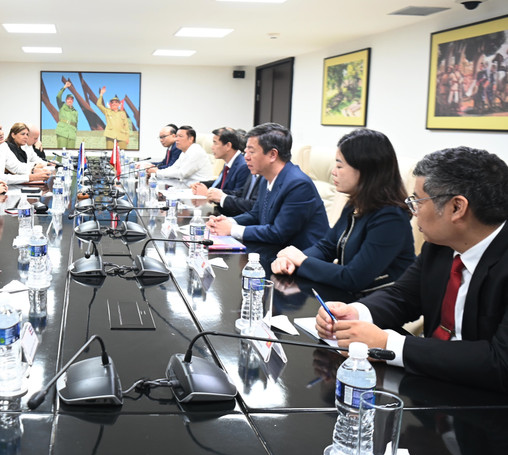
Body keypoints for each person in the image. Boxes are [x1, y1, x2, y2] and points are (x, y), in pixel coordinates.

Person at [315, 146, 508, 392]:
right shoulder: (440, 246)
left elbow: (500, 362)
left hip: (486, 405)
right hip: (430, 382)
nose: (412, 211)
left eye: (417, 200)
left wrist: (388, 344)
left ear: (457, 208)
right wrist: (356, 312)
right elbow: (403, 296)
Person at [270, 129, 415, 293]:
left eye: (340, 165)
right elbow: (326, 247)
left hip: (383, 304)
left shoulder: (391, 218)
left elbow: (353, 278)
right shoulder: (356, 203)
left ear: (366, 170)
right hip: (353, 297)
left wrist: (302, 261)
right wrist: (291, 261)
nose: (333, 172)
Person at [207, 123, 328, 249]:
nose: (246, 157)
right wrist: (228, 221)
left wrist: (232, 229)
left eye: (251, 152)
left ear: (272, 155)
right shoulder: (266, 178)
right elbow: (255, 214)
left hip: (297, 258)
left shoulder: (298, 184)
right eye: (246, 151)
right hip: (272, 249)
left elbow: (279, 233)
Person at [191, 127, 257, 215]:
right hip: (221, 210)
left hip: (231, 213)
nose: (212, 147)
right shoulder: (229, 162)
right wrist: (201, 184)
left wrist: (209, 192)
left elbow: (238, 194)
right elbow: (221, 182)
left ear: (228, 146)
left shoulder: (243, 166)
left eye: (215, 143)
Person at [0, 118, 49, 185]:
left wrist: (33, 170)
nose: (1, 133)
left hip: (1, 188)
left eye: (0, 129)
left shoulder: (2, 145)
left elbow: (16, 166)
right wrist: (30, 177)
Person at [146, 125, 214, 183]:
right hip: (186, 187)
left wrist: (157, 172)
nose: (176, 139)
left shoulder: (196, 151)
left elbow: (181, 173)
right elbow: (173, 168)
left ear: (191, 139)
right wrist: (155, 172)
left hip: (198, 190)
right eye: (176, 136)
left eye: (180, 136)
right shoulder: (185, 152)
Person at [55, 82, 78, 149]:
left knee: (71, 154)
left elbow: (76, 123)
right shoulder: (62, 106)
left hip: (72, 135)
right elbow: (58, 96)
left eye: (71, 99)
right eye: (68, 99)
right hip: (62, 132)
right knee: (61, 153)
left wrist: (74, 133)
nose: (70, 101)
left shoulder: (75, 111)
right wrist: (64, 87)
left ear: (73, 101)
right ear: (66, 100)